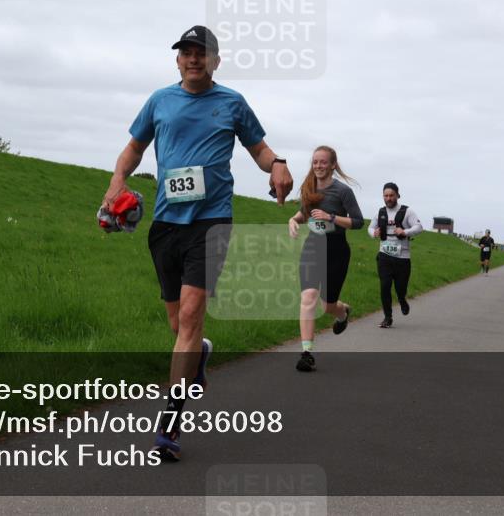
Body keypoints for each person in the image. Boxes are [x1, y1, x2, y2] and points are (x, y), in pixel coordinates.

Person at [102, 25, 293, 461]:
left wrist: (277, 164)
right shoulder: (159, 101)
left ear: (215, 60)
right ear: (177, 60)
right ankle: (201, 352)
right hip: (167, 223)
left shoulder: (232, 103)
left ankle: (168, 425)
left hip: (212, 223)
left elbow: (259, 149)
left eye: (201, 53)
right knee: (180, 327)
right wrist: (117, 180)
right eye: (186, 52)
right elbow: (134, 148)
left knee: (190, 316)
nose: (193, 59)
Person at [288, 146, 363, 371]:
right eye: (315, 162)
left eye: (322, 162)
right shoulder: (308, 188)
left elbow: (358, 222)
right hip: (313, 245)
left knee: (327, 305)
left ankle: (342, 312)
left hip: (337, 249)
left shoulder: (343, 191)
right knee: (309, 297)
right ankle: (306, 353)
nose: (318, 166)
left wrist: (331, 216)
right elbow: (305, 213)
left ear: (332, 165)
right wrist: (293, 219)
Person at [368, 183, 422, 327]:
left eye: (391, 195)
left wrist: (405, 232)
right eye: (386, 196)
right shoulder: (380, 212)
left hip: (402, 259)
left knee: (400, 289)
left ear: (398, 195)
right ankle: (388, 317)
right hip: (384, 256)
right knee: (385, 286)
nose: (389, 198)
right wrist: (374, 233)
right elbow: (370, 227)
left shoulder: (407, 211)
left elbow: (419, 227)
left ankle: (402, 299)